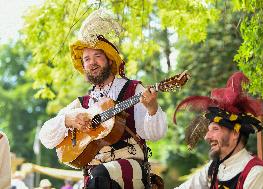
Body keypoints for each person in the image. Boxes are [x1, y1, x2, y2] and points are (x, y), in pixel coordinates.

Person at [39, 10, 167, 189]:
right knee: (97, 175)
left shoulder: (133, 90)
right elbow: (45, 137)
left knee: (100, 174)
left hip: (130, 169)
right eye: (86, 59)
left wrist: (152, 108)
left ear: (109, 60)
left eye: (97, 56)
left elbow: (155, 135)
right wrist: (68, 120)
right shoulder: (82, 104)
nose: (92, 62)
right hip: (95, 176)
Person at [173, 72, 263, 189]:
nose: (207, 136)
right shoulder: (213, 168)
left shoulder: (256, 174)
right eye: (209, 130)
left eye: (215, 129)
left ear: (235, 133)